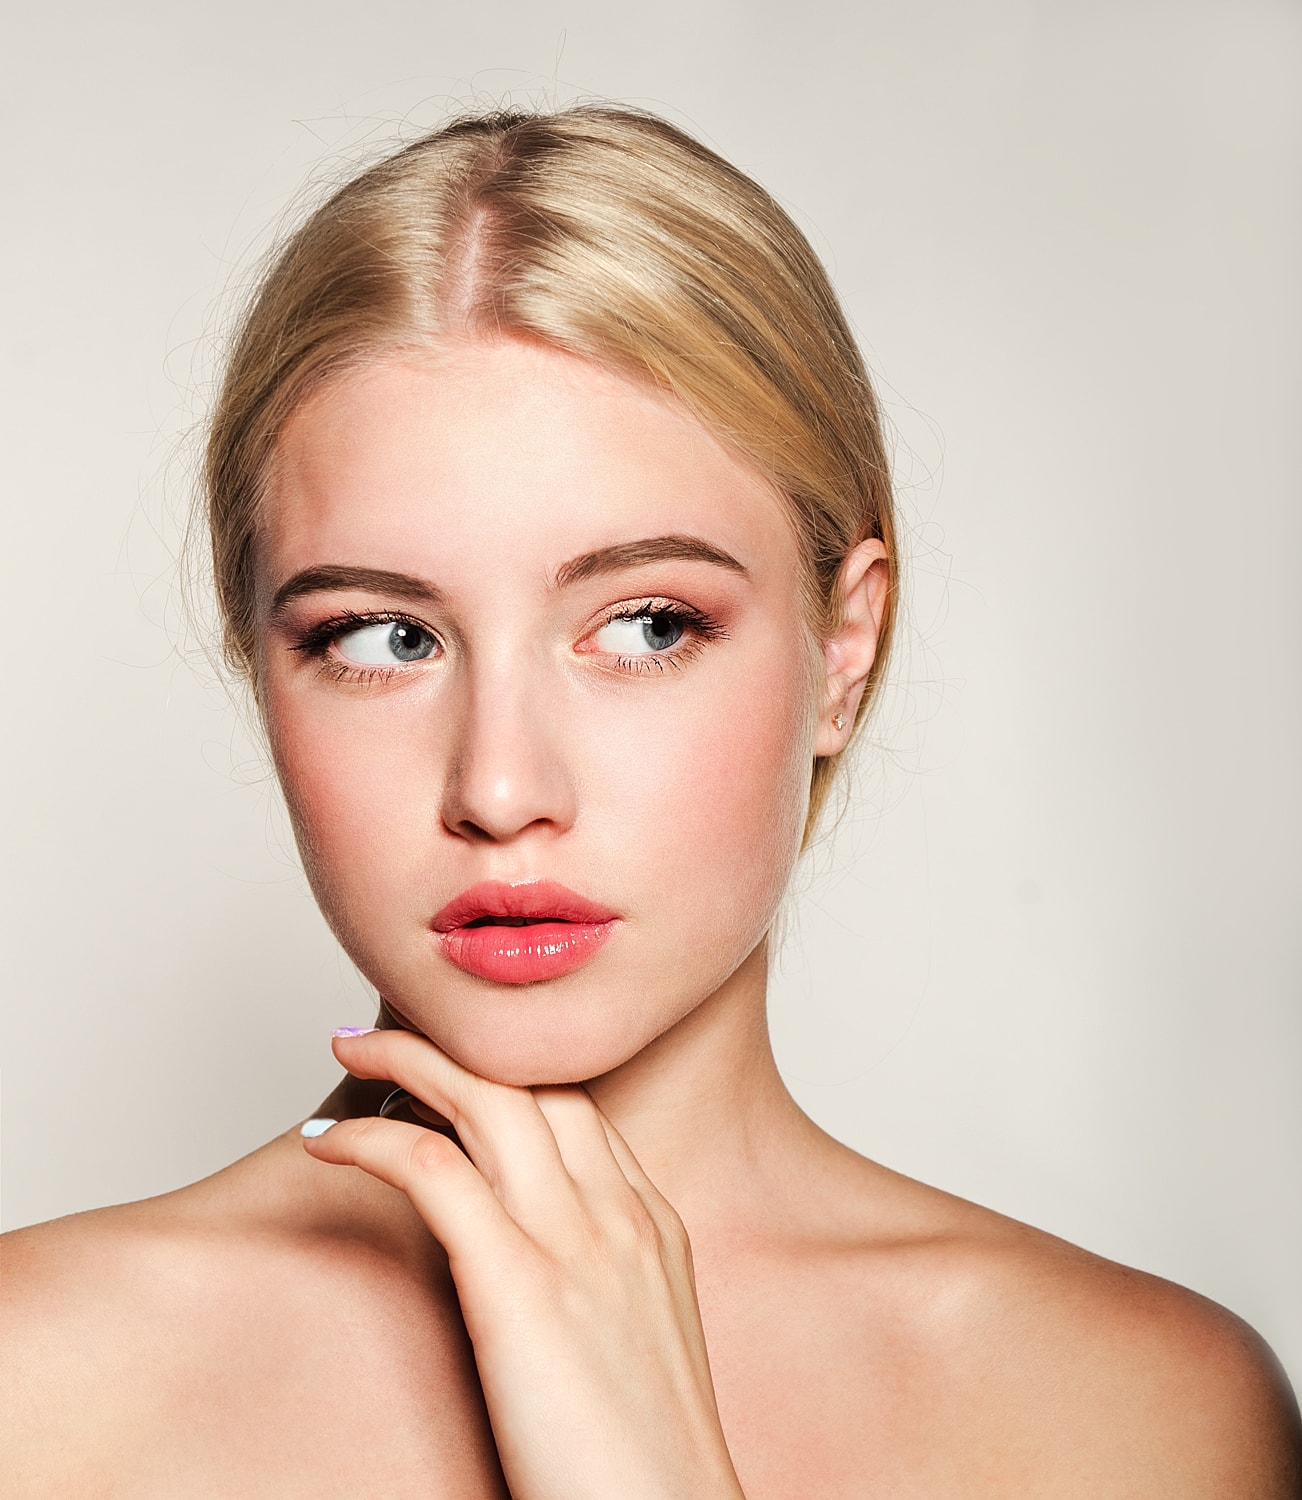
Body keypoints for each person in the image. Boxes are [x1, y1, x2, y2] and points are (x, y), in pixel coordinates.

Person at [1, 104, 1297, 1499]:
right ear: (261, 659)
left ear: (839, 649)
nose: (500, 789)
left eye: (645, 626)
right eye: (381, 637)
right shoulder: (38, 1379)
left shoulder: (1137, 1415)